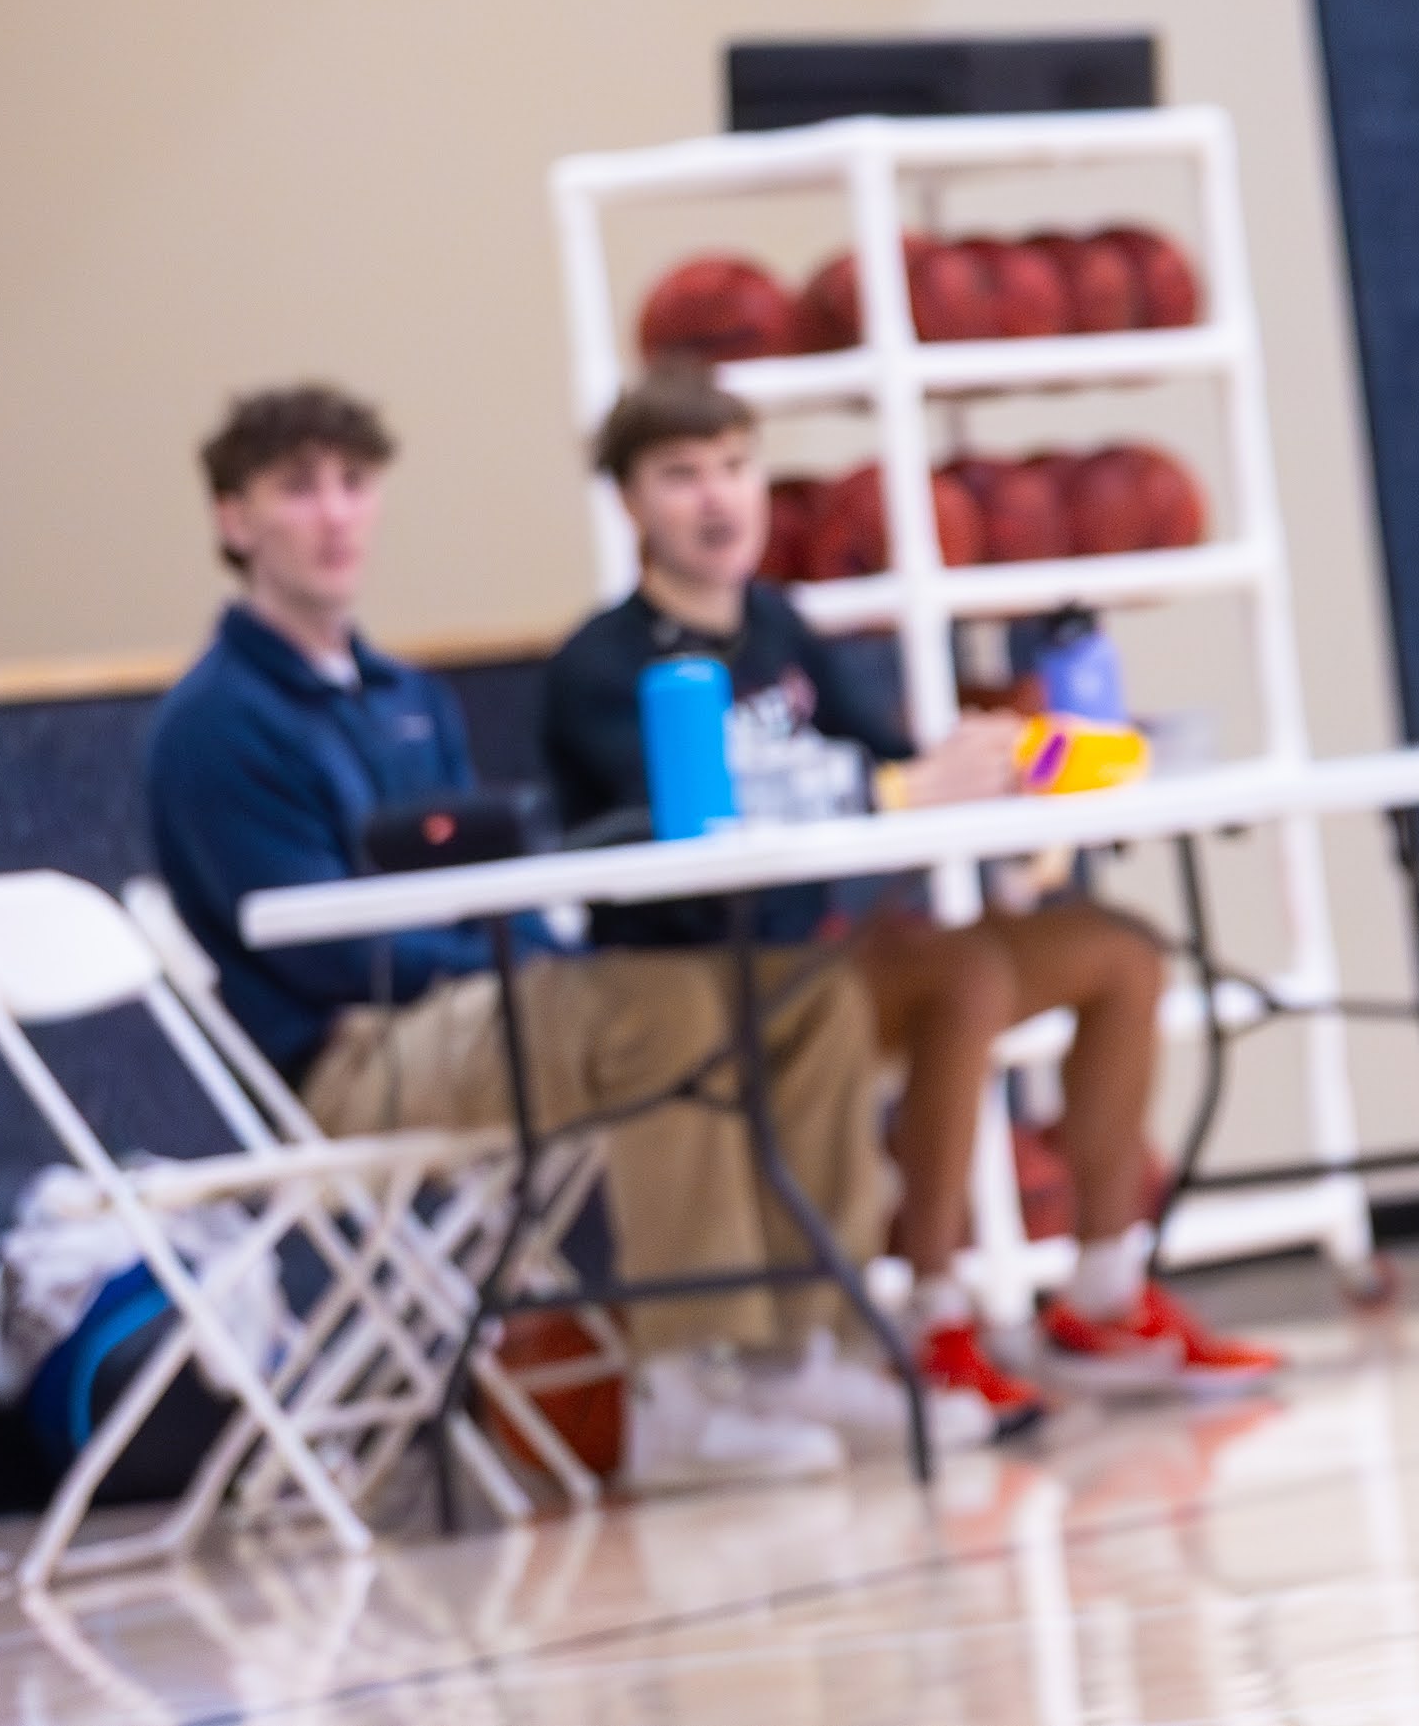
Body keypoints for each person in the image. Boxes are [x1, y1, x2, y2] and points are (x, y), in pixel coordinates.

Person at [143, 383, 885, 1484]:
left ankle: (798, 1348)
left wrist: (537, 944)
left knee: (803, 990)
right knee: (664, 1004)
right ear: (233, 520)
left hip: (473, 1007)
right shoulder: (216, 722)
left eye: (353, 484)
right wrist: (530, 956)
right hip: (350, 1056)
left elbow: (491, 872)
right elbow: (322, 948)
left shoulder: (406, 694)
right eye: (297, 490)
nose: (335, 513)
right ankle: (682, 1385)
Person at [540, 373, 1279, 1440]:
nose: (716, 498)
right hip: (704, 971)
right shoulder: (601, 665)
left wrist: (1003, 765)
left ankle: (1107, 1289)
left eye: (735, 468)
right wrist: (891, 786)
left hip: (816, 948)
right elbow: (679, 825)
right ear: (630, 503)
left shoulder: (781, 625)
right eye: (681, 475)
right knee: (963, 979)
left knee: (1119, 950)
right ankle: (930, 1310)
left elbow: (890, 768)